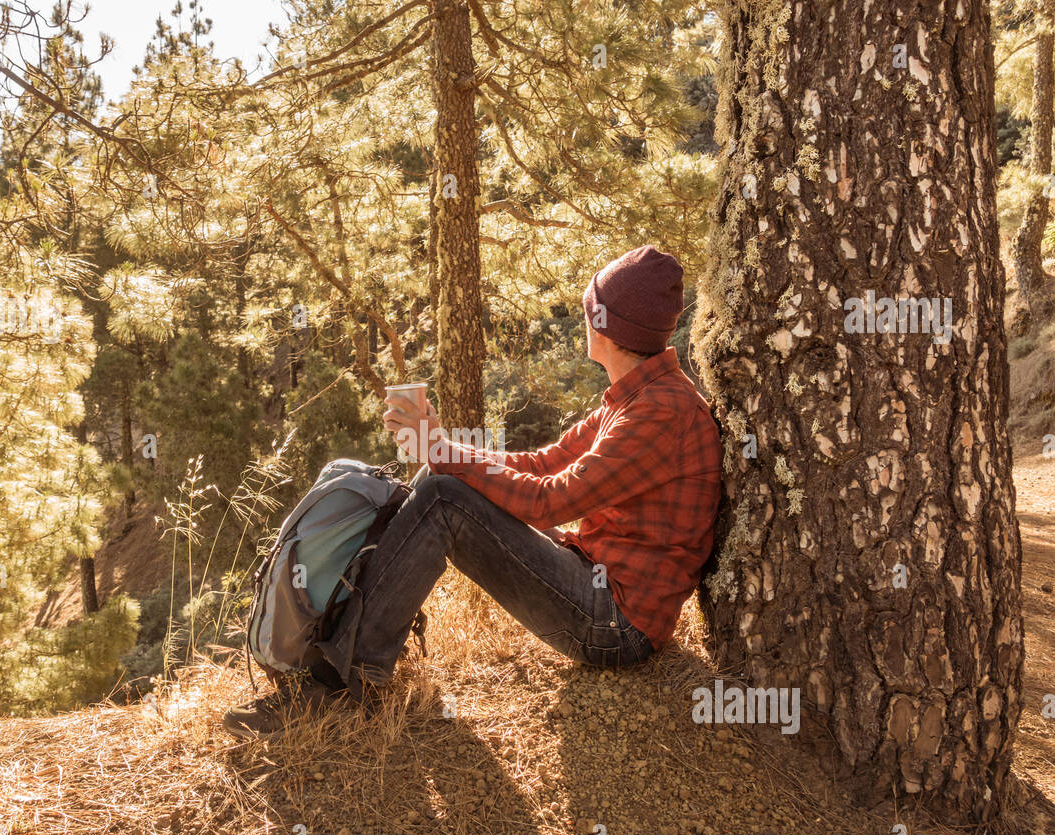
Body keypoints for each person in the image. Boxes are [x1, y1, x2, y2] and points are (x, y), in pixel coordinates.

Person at [223, 245, 723, 738]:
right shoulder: (640, 394)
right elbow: (541, 464)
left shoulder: (660, 412)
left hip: (615, 626)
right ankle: (343, 643)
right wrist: (442, 448)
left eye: (590, 307)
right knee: (439, 483)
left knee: (444, 498)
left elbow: (551, 500)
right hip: (596, 580)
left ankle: (337, 683)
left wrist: (442, 452)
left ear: (607, 326)